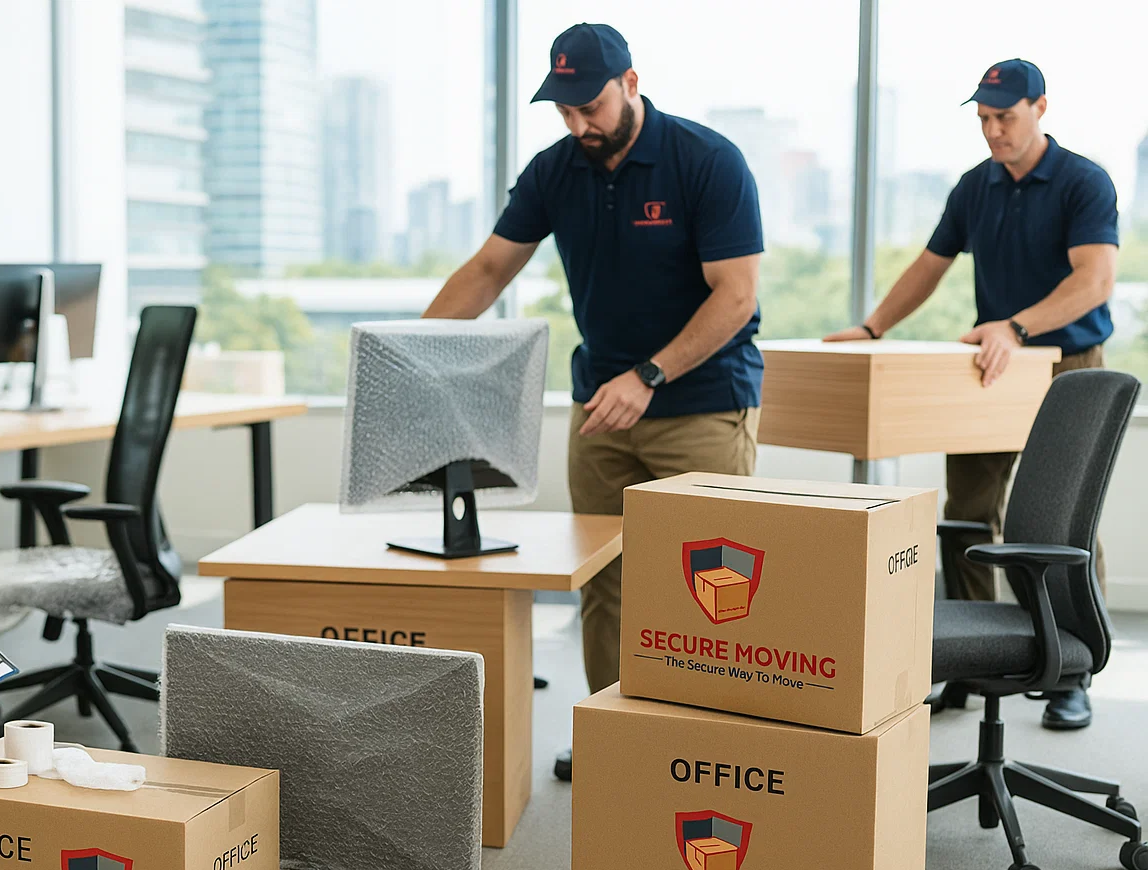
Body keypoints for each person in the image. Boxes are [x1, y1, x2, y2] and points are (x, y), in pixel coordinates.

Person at [423, 23, 765, 781]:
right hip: (603, 410)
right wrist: (412, 357)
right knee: (604, 585)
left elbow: (736, 296)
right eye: (565, 109)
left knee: (710, 591)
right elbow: (487, 271)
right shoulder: (555, 171)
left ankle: (706, 750)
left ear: (631, 84)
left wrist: (650, 374)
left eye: (591, 106)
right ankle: (617, 733)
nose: (580, 125)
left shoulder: (705, 161)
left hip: (700, 405)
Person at [824, 59, 1119, 730]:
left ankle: (1073, 673)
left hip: (1065, 364)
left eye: (1004, 117)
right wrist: (872, 328)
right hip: (993, 367)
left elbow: (1095, 280)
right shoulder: (974, 187)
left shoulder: (1083, 181)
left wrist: (1016, 327)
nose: (992, 131)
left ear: (1040, 106)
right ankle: (973, 661)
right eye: (983, 119)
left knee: (1065, 523)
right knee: (970, 509)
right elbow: (930, 266)